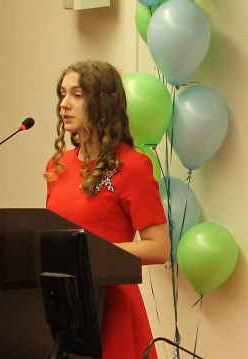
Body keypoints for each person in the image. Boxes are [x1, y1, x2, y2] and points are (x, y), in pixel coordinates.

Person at [45, 60, 169, 359]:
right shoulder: (57, 165)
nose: (64, 104)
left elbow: (159, 248)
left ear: (103, 101)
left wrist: (90, 253)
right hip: (64, 306)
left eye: (77, 94)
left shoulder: (133, 166)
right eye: (62, 94)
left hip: (110, 304)